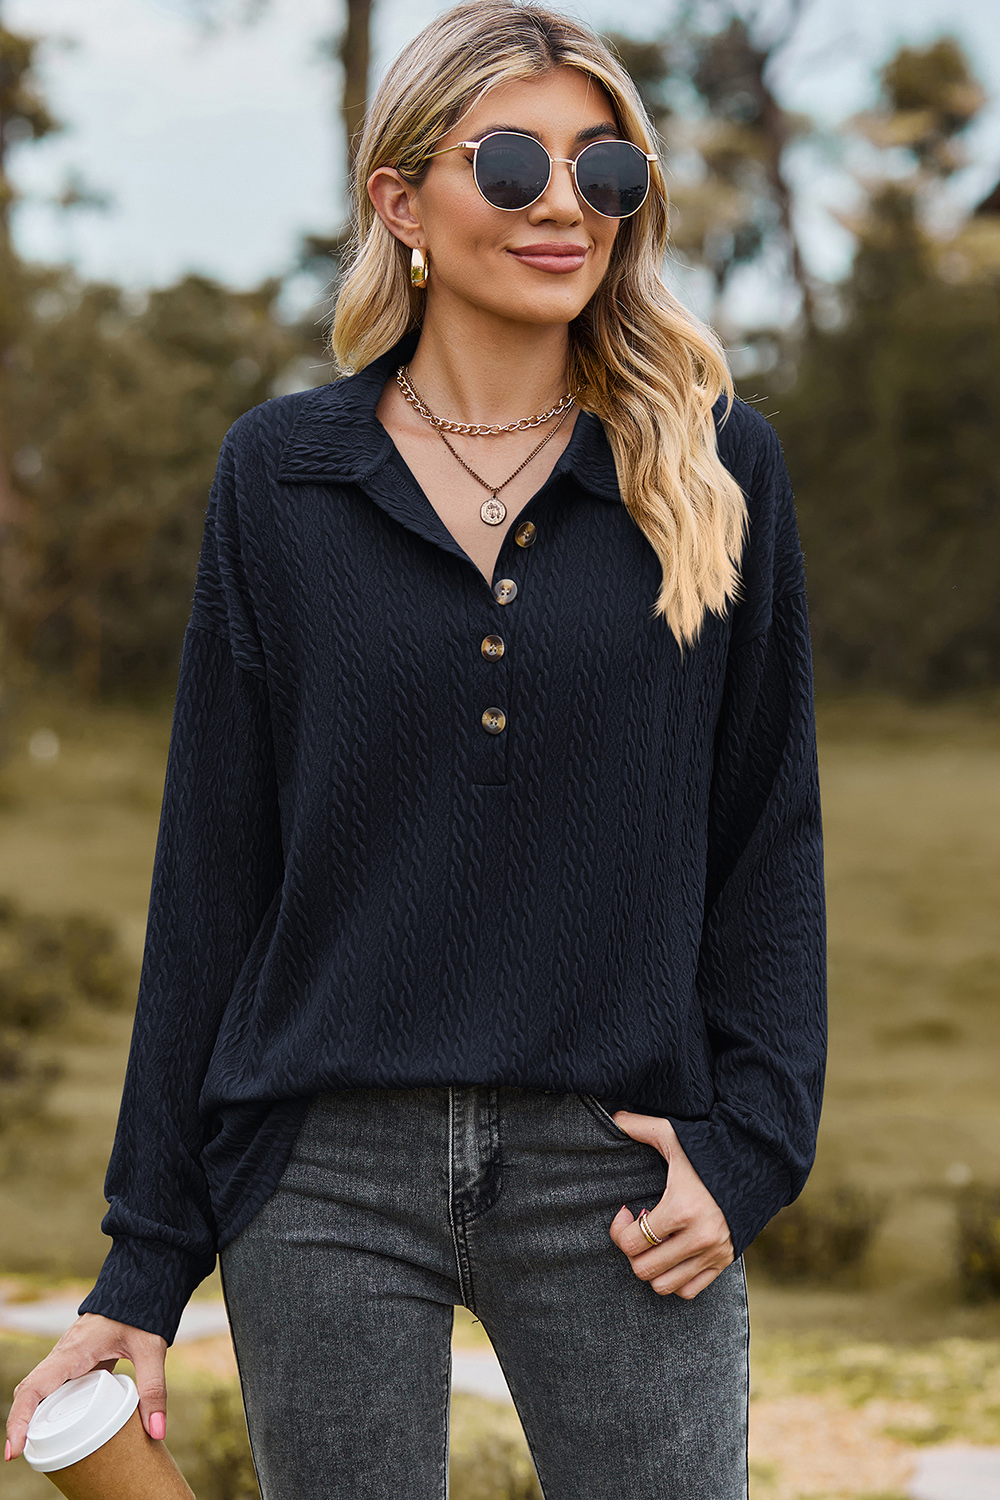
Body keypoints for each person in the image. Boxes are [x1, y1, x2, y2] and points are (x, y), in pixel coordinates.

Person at [4, 2, 827, 1496]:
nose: (564, 204)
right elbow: (215, 871)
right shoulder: (280, 478)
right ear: (401, 200)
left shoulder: (714, 469)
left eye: (605, 169)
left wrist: (754, 1145)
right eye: (510, 164)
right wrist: (143, 1265)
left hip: (620, 1172)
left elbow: (768, 832)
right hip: (324, 1173)